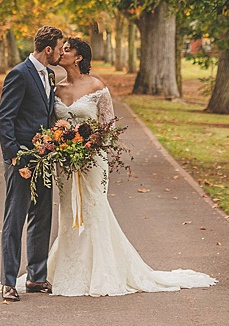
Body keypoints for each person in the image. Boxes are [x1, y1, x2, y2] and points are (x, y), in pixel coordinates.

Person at [44, 36, 216, 297]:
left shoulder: (96, 86)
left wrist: (89, 146)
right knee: (68, 211)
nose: (62, 53)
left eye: (67, 50)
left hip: (92, 160)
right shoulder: (56, 88)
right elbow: (52, 124)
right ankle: (69, 268)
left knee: (93, 208)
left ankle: (103, 271)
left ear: (79, 57)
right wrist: (60, 144)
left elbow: (109, 125)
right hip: (65, 162)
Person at [0, 25, 66, 301]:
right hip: (21, 160)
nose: (61, 52)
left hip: (43, 158)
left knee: (42, 216)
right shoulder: (19, 74)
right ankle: (8, 282)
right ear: (48, 49)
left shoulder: (49, 74)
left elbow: (45, 117)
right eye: (59, 48)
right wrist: (13, 156)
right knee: (15, 218)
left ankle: (36, 277)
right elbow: (5, 118)